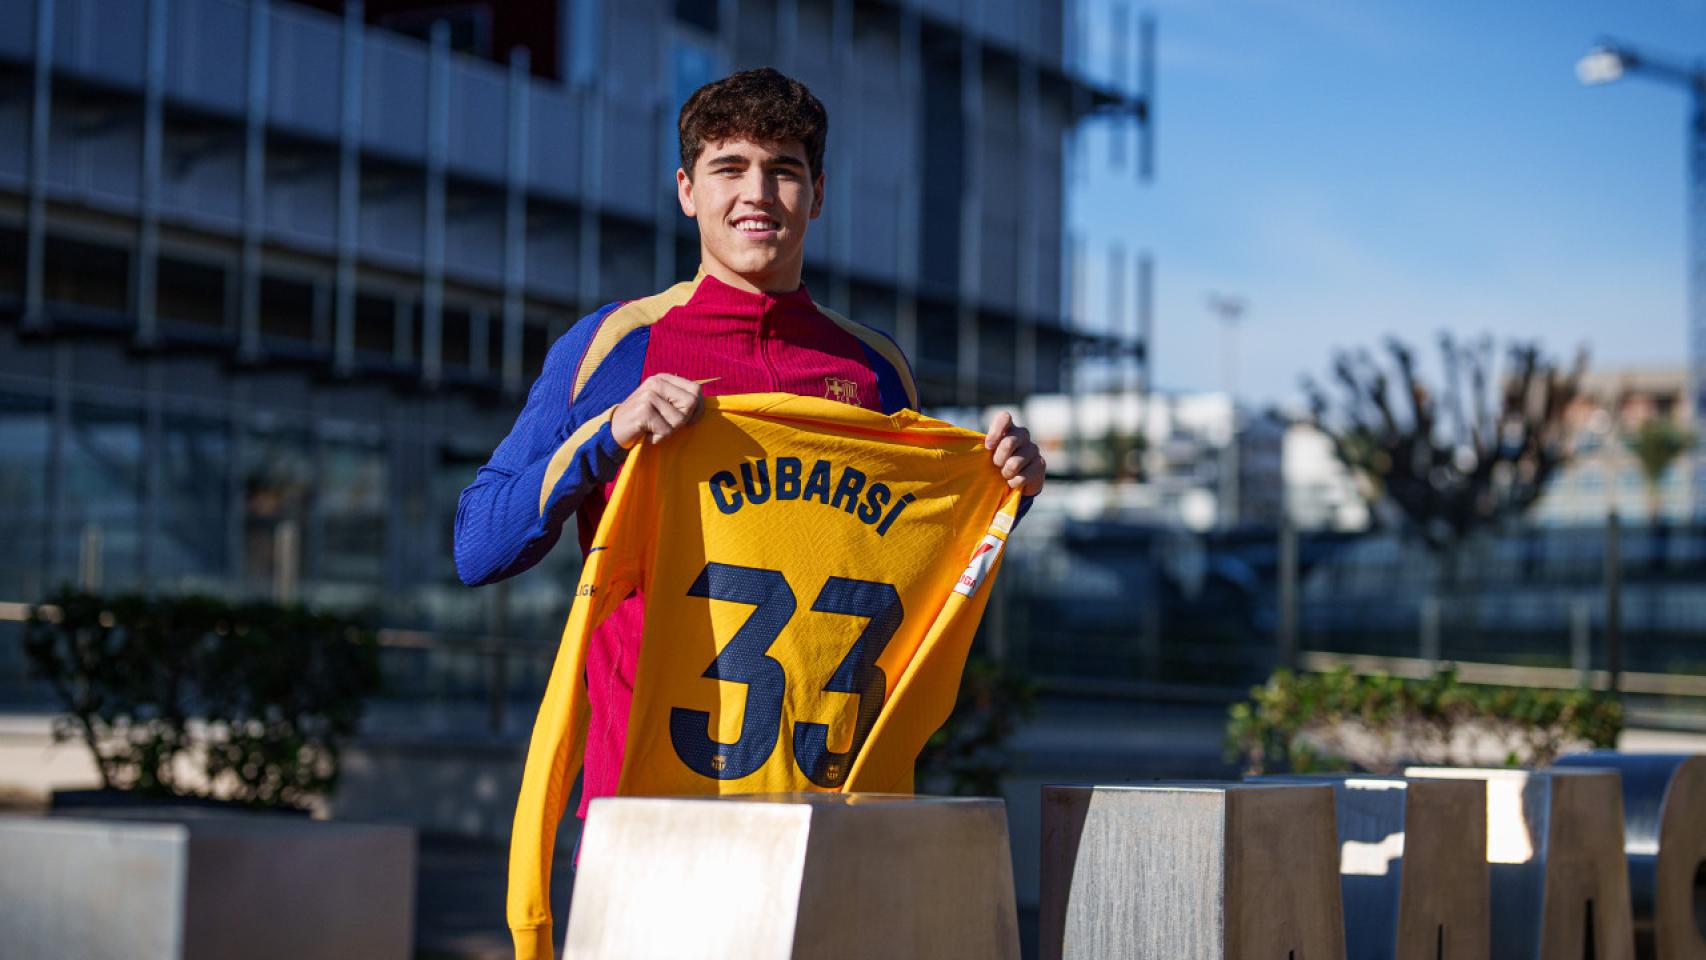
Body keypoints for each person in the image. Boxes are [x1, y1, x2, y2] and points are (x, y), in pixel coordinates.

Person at [453, 66, 1045, 843]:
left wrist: (1008, 491)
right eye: (729, 167)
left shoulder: (875, 368)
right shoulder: (614, 347)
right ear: (686, 189)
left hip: (832, 809)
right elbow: (477, 546)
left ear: (818, 194)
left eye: (784, 171)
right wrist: (603, 439)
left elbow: (919, 564)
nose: (757, 194)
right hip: (649, 805)